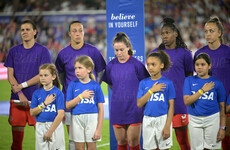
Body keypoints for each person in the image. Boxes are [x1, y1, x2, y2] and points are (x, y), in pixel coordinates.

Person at [55, 20, 106, 149]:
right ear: (69, 34)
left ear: (83, 33)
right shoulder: (62, 54)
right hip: (69, 101)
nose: (78, 33)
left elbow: (101, 71)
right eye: (74, 31)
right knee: (73, 141)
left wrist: (93, 86)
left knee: (90, 141)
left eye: (80, 31)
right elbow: (60, 75)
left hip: (89, 103)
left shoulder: (93, 51)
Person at [4, 20, 51, 150]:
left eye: (28, 29)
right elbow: (10, 75)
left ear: (35, 32)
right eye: (22, 30)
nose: (24, 32)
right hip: (17, 101)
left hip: (38, 101)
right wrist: (19, 93)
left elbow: (44, 75)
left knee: (43, 141)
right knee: (16, 143)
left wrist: (22, 86)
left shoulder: (43, 51)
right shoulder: (13, 51)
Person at [102, 32, 150, 150]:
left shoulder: (137, 65)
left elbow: (145, 85)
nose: (119, 53)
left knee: (133, 142)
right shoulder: (110, 66)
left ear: (128, 47)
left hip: (134, 109)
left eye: (121, 49)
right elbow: (112, 85)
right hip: (117, 108)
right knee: (121, 142)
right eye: (116, 50)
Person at [151, 17, 193, 150]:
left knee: (183, 143)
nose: (164, 36)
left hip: (179, 103)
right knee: (161, 145)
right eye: (162, 33)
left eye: (167, 33)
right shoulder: (155, 53)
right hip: (160, 104)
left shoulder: (185, 54)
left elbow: (189, 77)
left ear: (175, 33)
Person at [194, 16, 230, 150]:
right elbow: (197, 80)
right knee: (206, 145)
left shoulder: (228, 52)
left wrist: (229, 102)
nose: (208, 34)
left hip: (227, 105)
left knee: (226, 143)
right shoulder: (199, 53)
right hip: (207, 105)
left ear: (219, 33)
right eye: (206, 31)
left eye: (211, 31)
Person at [183, 53, 226, 150]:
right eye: (197, 64)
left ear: (209, 66)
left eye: (203, 64)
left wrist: (222, 128)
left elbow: (222, 107)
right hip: (194, 119)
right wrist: (202, 91)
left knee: (210, 148)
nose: (199, 67)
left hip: (212, 118)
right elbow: (187, 101)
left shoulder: (217, 83)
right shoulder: (189, 80)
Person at [137, 50, 175, 150]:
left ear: (161, 65)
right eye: (148, 64)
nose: (150, 67)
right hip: (147, 119)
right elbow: (139, 104)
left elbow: (171, 106)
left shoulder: (168, 83)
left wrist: (167, 126)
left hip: (163, 119)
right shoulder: (143, 83)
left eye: (153, 64)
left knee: (164, 148)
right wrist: (151, 91)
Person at [65, 55, 104, 149]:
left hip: (92, 119)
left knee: (91, 148)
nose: (77, 71)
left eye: (80, 68)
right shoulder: (72, 85)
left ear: (89, 69)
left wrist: (98, 129)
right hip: (76, 119)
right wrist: (81, 96)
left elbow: (101, 110)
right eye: (75, 68)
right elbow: (67, 106)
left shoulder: (96, 86)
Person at [30, 64, 65, 150]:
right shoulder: (36, 93)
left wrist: (50, 131)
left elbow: (60, 115)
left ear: (53, 77)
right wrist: (44, 104)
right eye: (41, 75)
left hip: (55, 127)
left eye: (46, 75)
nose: (42, 78)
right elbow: (32, 113)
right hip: (40, 126)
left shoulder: (58, 93)